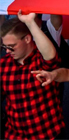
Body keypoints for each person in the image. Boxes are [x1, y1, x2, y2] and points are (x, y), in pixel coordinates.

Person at [1, 11, 64, 139]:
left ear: (27, 39)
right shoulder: (3, 64)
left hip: (47, 134)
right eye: (4, 47)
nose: (7, 51)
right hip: (15, 135)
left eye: (11, 47)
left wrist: (30, 23)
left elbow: (50, 56)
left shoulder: (40, 60)